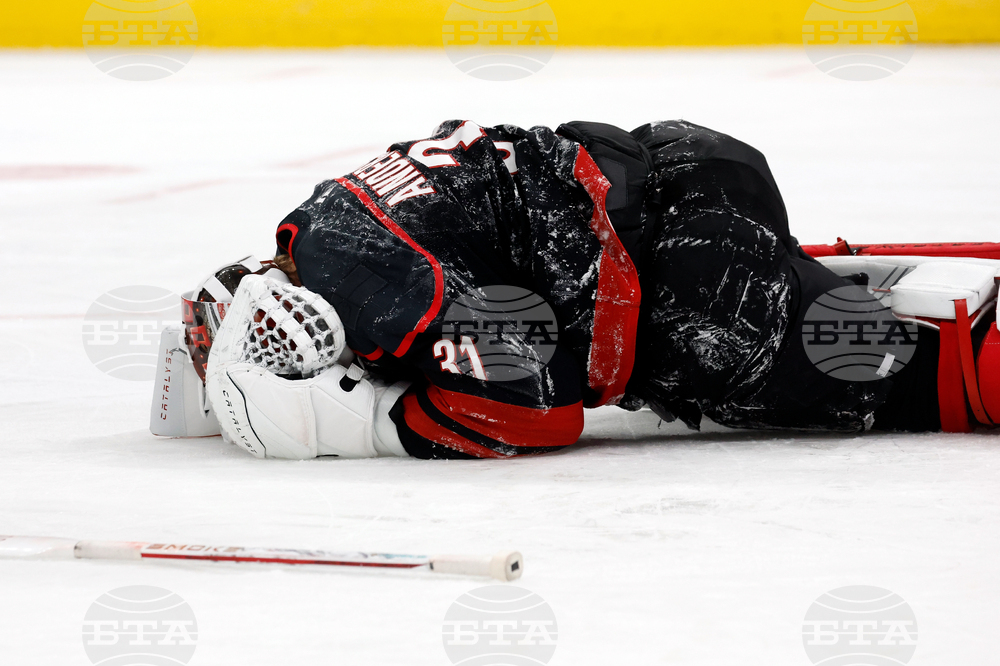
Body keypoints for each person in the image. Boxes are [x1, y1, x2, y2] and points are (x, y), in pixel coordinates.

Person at [170, 120, 1000, 460]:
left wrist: (363, 424)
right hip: (676, 184)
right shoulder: (325, 224)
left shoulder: (364, 282)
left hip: (695, 286)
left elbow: (538, 400)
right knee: (850, 310)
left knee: (949, 374)